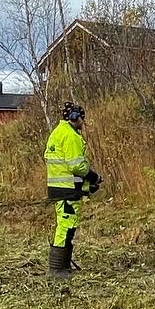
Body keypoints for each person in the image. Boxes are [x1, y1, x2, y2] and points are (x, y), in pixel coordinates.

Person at [45, 102, 100, 279]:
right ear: (75, 117)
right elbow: (77, 166)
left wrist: (86, 186)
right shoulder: (70, 136)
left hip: (60, 187)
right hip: (67, 189)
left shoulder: (58, 132)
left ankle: (64, 266)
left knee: (68, 226)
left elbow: (64, 166)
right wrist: (93, 177)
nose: (83, 122)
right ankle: (56, 269)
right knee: (65, 227)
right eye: (82, 118)